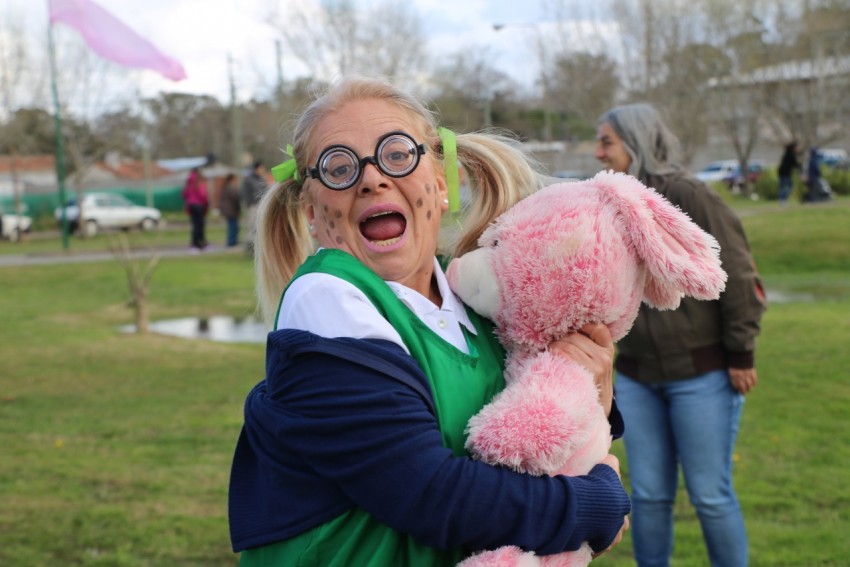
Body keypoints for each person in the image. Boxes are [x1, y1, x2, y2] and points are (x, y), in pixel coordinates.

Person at [228, 77, 631, 566]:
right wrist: (592, 506)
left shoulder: (479, 303)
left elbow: (534, 449)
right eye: (339, 167)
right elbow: (428, 495)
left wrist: (595, 393)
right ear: (313, 213)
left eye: (396, 154)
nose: (372, 178)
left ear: (440, 185)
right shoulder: (325, 300)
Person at [595, 103, 766, 567]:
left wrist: (741, 354)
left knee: (710, 495)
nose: (598, 153)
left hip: (702, 375)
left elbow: (739, 274)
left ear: (636, 141)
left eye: (607, 142)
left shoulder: (688, 194)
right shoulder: (608, 203)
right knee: (648, 496)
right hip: (634, 376)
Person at [240, 160, 268, 253]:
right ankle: (250, 248)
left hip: (262, 205)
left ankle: (259, 248)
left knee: (260, 227)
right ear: (257, 168)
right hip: (253, 206)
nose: (263, 170)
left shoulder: (261, 179)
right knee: (252, 227)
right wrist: (251, 203)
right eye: (261, 168)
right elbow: (245, 193)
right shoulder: (249, 180)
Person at [181, 167, 208, 251]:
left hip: (191, 206)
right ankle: (200, 243)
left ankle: (194, 243)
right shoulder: (199, 181)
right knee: (200, 225)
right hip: (199, 205)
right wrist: (206, 204)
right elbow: (203, 195)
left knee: (195, 225)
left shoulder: (188, 182)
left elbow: (184, 194)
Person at [219, 173, 241, 247]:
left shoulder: (226, 188)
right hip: (230, 211)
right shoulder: (230, 188)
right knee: (233, 226)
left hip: (229, 210)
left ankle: (232, 240)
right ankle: (231, 241)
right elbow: (235, 199)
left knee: (233, 226)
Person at [777, 141, 800, 206]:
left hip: (782, 173)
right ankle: (783, 200)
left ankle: (781, 200)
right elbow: (795, 164)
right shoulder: (791, 155)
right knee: (788, 186)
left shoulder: (787, 154)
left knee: (782, 187)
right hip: (785, 173)